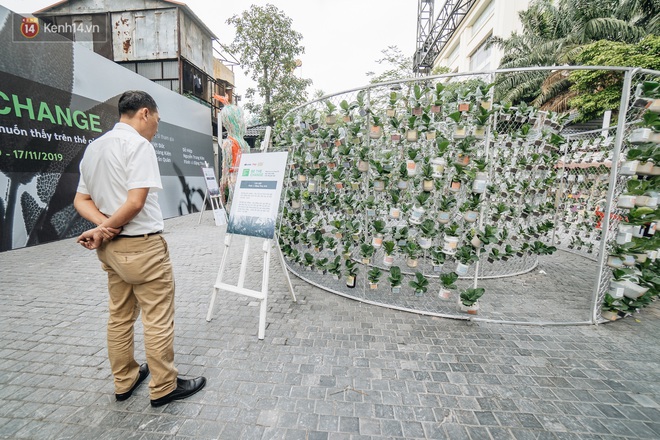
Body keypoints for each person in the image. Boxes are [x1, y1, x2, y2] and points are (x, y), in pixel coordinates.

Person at [74, 90, 206, 407]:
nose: (156, 129)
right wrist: (110, 226)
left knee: (119, 317)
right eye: (157, 121)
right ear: (144, 113)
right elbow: (135, 203)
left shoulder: (94, 147)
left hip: (111, 252)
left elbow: (81, 200)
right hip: (143, 248)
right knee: (157, 319)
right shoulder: (138, 145)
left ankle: (125, 380)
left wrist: (103, 229)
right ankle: (164, 387)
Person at [217, 94, 250, 206]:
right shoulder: (244, 144)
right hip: (245, 178)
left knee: (233, 206)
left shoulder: (229, 143)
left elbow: (225, 167)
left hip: (234, 180)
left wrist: (222, 187)